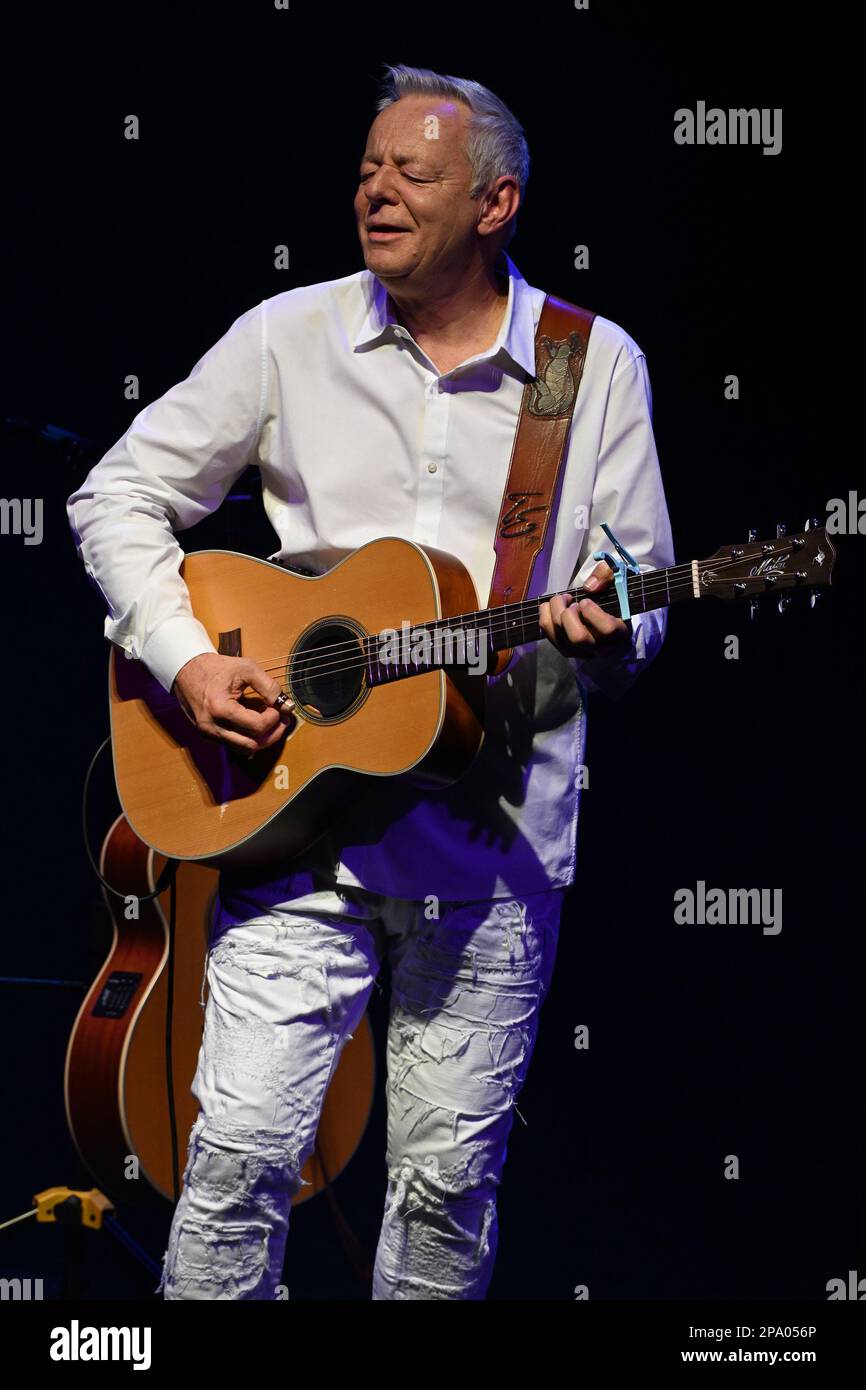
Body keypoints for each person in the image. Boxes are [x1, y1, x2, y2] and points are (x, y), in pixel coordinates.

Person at [67, 63, 674, 1299]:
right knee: (232, 1162)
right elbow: (116, 494)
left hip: (489, 842)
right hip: (290, 813)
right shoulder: (287, 335)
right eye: (364, 168)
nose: (374, 191)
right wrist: (187, 662)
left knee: (445, 1198)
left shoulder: (588, 365)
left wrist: (616, 630)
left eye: (412, 171)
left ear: (495, 204)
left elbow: (637, 581)